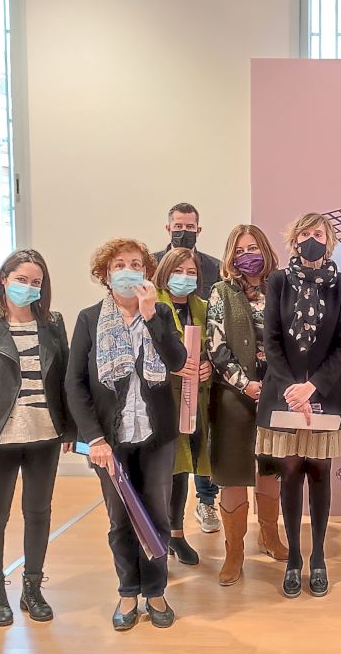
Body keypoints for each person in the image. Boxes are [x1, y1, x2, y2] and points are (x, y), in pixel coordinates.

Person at [66, 238, 188, 630]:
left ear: (147, 273)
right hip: (109, 440)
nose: (128, 270)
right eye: (119, 264)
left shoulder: (161, 312)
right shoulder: (89, 319)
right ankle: (127, 592)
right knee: (120, 519)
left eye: (136, 264)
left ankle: (156, 591)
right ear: (105, 274)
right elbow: (75, 383)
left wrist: (152, 317)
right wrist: (94, 439)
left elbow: (178, 361)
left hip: (157, 435)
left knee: (157, 514)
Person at [0, 250, 73, 627]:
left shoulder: (53, 323)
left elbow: (66, 379)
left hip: (45, 435)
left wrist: (71, 429)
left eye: (36, 282)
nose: (28, 287)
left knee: (38, 513)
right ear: (4, 279)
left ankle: (32, 588)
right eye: (21, 279)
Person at [257, 213, 341, 598]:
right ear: (294, 240)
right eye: (305, 234)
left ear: (329, 241)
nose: (311, 240)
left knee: (319, 472)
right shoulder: (278, 281)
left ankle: (318, 557)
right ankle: (294, 558)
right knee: (290, 472)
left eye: (319, 234)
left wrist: (312, 387)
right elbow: (271, 340)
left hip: (326, 395)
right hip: (283, 395)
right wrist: (292, 389)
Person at [206, 224, 288, 586]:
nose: (246, 255)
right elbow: (216, 345)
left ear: (265, 249)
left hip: (276, 394)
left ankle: (269, 535)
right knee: (234, 472)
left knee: (271, 467)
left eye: (252, 248)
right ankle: (234, 550)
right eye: (239, 250)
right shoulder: (221, 292)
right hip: (233, 394)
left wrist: (274, 386)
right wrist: (245, 384)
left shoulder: (281, 288)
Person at [153, 203, 222, 535]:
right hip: (164, 390)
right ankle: (168, 527)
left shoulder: (214, 267)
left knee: (203, 445)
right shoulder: (151, 265)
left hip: (201, 385)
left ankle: (206, 502)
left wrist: (210, 364)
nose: (183, 231)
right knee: (173, 461)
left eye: (190, 226)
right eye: (178, 226)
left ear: (198, 229)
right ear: (168, 228)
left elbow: (217, 330)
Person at [150, 248, 214, 566]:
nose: (184, 278)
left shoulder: (203, 307)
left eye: (191, 273)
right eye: (178, 271)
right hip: (160, 400)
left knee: (182, 469)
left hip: (193, 400)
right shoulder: (151, 304)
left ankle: (176, 533)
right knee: (159, 471)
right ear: (164, 272)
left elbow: (215, 347)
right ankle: (154, 537)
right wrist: (172, 366)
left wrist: (209, 366)